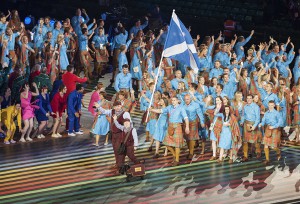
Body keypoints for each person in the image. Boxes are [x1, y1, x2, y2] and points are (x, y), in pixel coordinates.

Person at [149, 96, 189, 166]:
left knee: (177, 145)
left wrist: (187, 127)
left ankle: (177, 160)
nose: (173, 102)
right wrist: (152, 110)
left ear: (177, 101)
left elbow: (186, 118)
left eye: (174, 100)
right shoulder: (169, 107)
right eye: (172, 100)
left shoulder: (181, 108)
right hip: (170, 126)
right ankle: (174, 155)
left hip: (177, 126)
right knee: (166, 143)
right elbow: (160, 111)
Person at [93, 100, 132, 171]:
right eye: (116, 106)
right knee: (115, 149)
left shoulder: (125, 114)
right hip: (114, 134)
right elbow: (104, 111)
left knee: (119, 150)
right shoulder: (112, 111)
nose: (117, 108)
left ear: (121, 106)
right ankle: (118, 163)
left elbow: (129, 125)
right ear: (114, 107)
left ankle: (121, 166)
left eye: (119, 106)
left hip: (121, 134)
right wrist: (99, 107)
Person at [259, 100, 282, 165]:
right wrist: (261, 124)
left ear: (274, 105)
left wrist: (274, 126)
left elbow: (280, 122)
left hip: (275, 130)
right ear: (268, 105)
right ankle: (267, 159)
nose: (270, 106)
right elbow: (263, 121)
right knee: (265, 145)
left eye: (272, 105)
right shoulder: (266, 113)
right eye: (269, 105)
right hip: (268, 129)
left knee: (273, 147)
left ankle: (278, 152)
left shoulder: (277, 113)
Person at [183, 94, 205, 159]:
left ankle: (191, 153)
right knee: (187, 138)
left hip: (193, 122)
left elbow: (200, 114)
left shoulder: (196, 105)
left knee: (192, 138)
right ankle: (190, 150)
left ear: (191, 99)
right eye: (185, 99)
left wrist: (202, 121)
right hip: (185, 123)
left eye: (187, 99)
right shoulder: (182, 105)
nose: (186, 101)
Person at [241, 95, 261, 161]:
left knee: (255, 140)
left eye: (250, 98)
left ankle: (258, 152)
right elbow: (243, 115)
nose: (249, 99)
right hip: (246, 124)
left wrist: (254, 126)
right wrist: (241, 122)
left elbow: (258, 118)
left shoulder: (256, 107)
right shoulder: (245, 106)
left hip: (253, 123)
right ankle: (245, 156)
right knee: (245, 141)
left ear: (252, 99)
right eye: (247, 98)